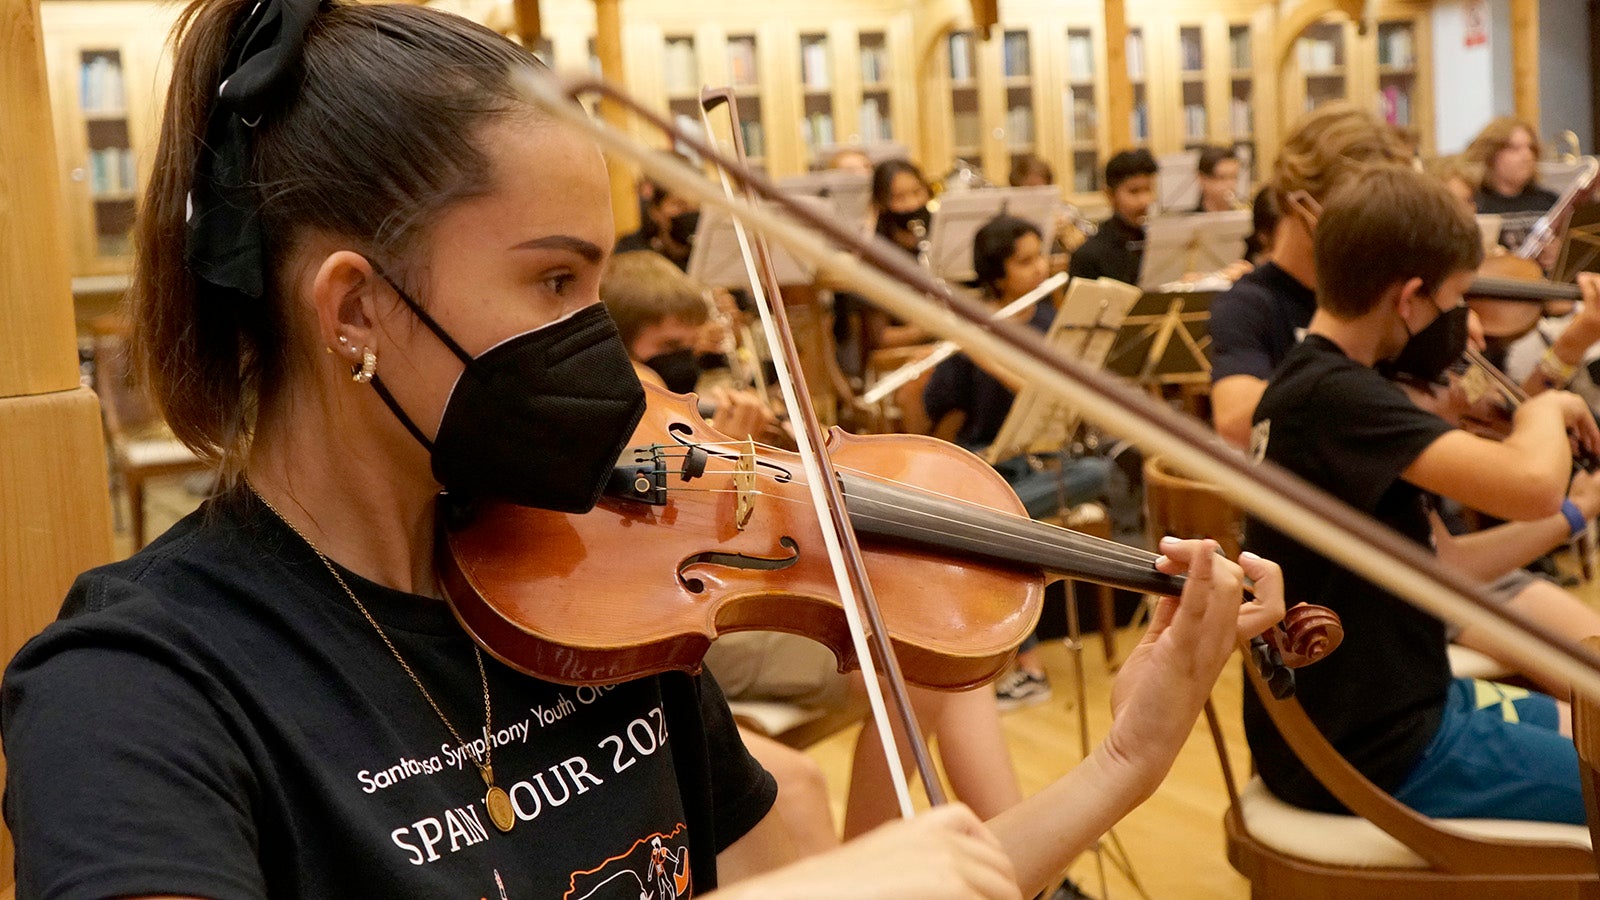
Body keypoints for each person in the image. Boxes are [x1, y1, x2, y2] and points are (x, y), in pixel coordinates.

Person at [1, 2, 1288, 897]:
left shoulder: (577, 586)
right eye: (554, 283)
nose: (604, 354)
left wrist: (1124, 764)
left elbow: (872, 889)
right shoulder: (136, 688)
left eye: (596, 287)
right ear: (355, 312)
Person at [1244, 164, 1600, 824]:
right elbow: (1531, 485)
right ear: (1409, 299)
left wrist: (1582, 500)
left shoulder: (1327, 385)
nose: (1461, 324)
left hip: (1418, 706)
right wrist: (1545, 410)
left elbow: (1449, 567)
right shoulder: (1337, 398)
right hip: (1381, 751)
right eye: (1455, 301)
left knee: (1589, 717)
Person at [925, 215, 1111, 708]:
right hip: (985, 463)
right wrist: (961, 352)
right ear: (996, 274)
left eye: (1040, 258)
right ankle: (1026, 669)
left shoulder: (1054, 326)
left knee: (1099, 471)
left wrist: (989, 359)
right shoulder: (970, 330)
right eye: (1024, 261)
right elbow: (936, 409)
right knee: (1003, 521)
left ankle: (990, 521)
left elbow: (1054, 402)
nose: (1038, 270)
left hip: (1043, 465)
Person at [1210, 103, 1412, 450]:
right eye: (1352, 212)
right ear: (1298, 202)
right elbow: (1236, 420)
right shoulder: (1249, 304)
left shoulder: (1390, 291)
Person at [601, 250, 775, 444]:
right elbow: (667, 472)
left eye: (692, 344)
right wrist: (725, 445)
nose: (684, 356)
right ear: (618, 338)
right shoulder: (621, 409)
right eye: (670, 345)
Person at [1464, 117, 1559, 258]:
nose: (1527, 156)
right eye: (1514, 148)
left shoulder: (1550, 201)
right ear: (1491, 154)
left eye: (1531, 148)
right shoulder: (1473, 201)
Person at [1067, 149, 1157, 286]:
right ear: (1110, 195)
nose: (1145, 201)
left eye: (1148, 189)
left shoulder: (1158, 242)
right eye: (1134, 191)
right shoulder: (1088, 255)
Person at [616, 176, 701, 270]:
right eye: (678, 204)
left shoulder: (679, 230)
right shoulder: (634, 235)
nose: (685, 210)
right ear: (656, 210)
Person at [1194, 145, 1242, 213]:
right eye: (1222, 178)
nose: (1231, 184)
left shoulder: (1242, 214)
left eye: (1234, 177)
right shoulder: (1188, 221)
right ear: (1202, 179)